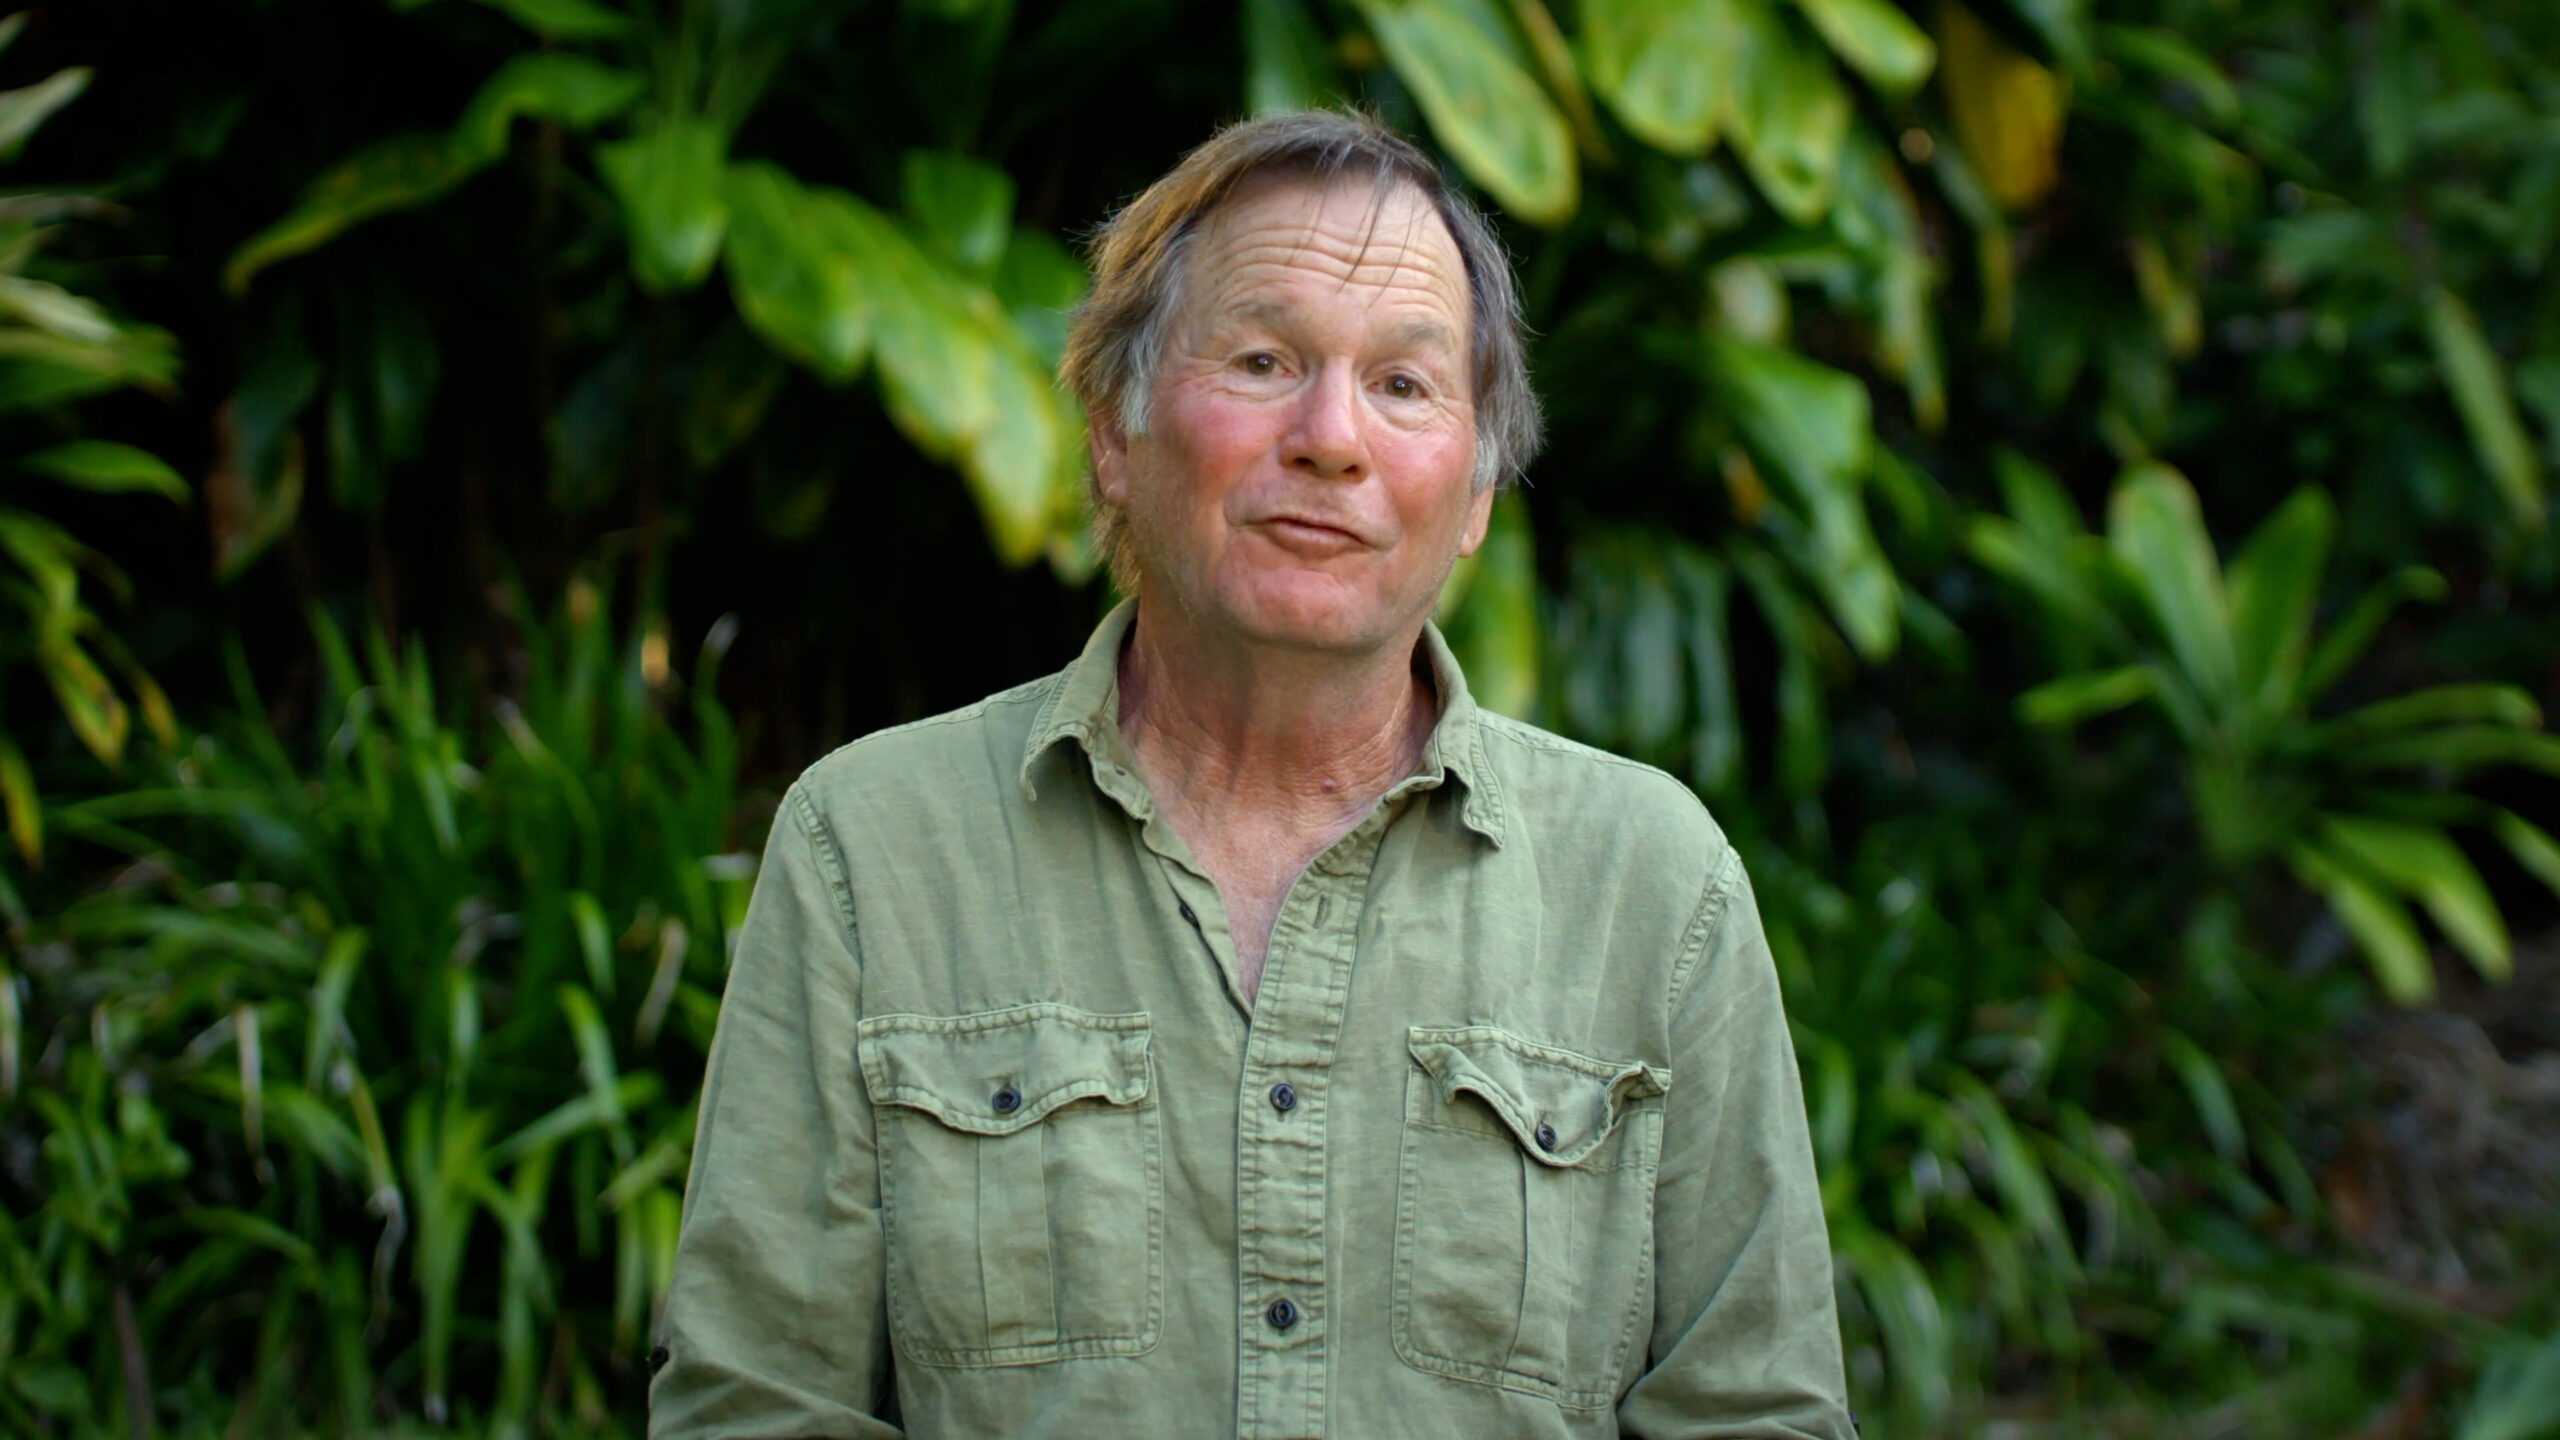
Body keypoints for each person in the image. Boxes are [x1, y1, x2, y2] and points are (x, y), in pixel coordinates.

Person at [648, 108, 1855, 1440]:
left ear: (1474, 499)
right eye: (1266, 358)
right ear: (1119, 432)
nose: (1332, 438)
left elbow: (1758, 1417)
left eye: (1404, 385)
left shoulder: (1651, 883)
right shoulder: (874, 852)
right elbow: (755, 1409)